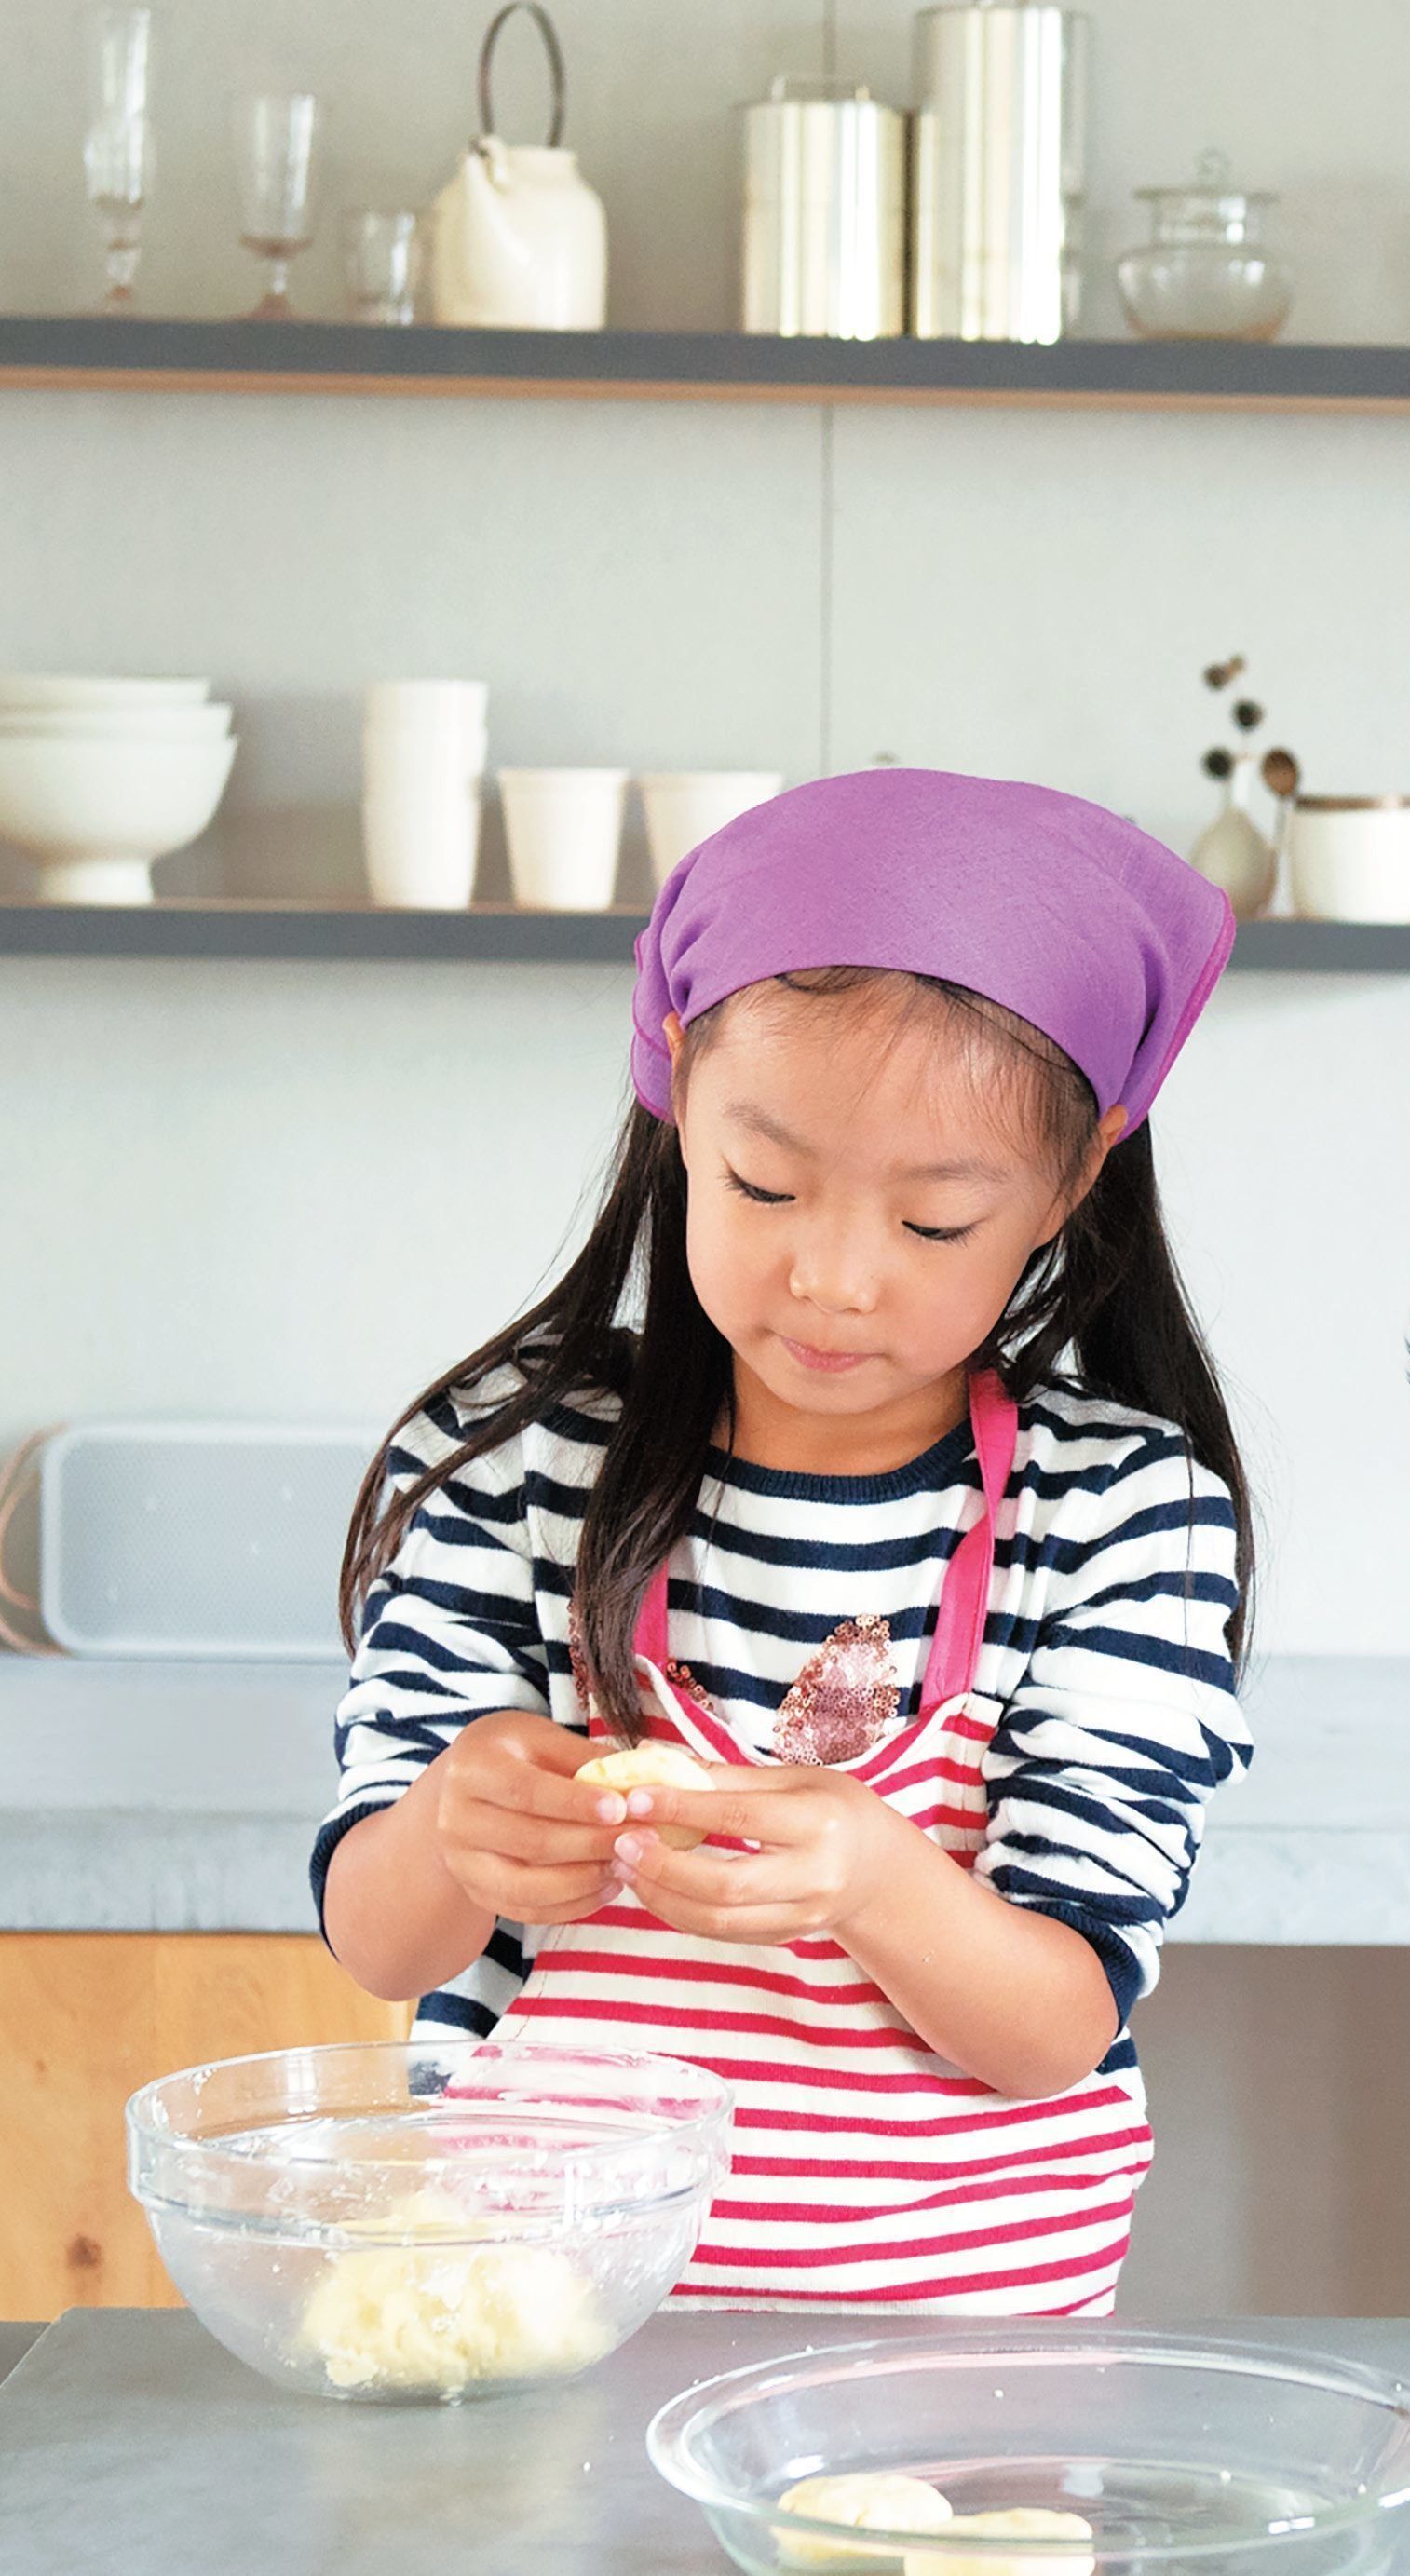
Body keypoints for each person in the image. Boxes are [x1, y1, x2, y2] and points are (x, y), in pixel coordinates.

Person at [319, 767, 1251, 2316]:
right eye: (765, 1182)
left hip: (956, 2376)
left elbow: (1055, 2025)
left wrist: (876, 1878)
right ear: (679, 1089)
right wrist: (450, 1830)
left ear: (1070, 1185)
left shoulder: (1115, 1513)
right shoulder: (517, 1464)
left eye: (930, 1224)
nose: (831, 1277)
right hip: (542, 2326)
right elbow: (372, 1933)